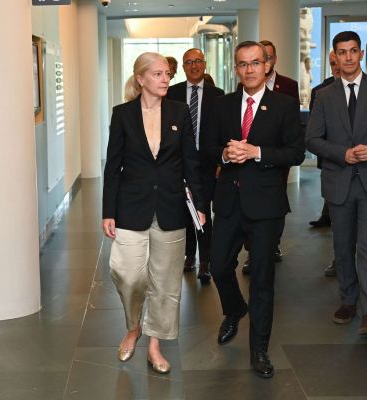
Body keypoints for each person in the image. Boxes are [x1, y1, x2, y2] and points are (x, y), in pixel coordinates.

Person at [102, 52, 206, 374]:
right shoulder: (123, 114)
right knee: (127, 274)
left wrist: (199, 204)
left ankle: (155, 345)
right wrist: (108, 211)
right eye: (158, 73)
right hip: (131, 207)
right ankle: (133, 326)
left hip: (171, 207)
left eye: (167, 74)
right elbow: (113, 166)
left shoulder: (178, 111)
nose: (166, 79)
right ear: (141, 79)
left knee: (166, 282)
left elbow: (190, 160)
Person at [208, 41, 305, 378]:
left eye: (255, 63)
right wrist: (224, 154)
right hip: (228, 201)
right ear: (236, 68)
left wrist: (257, 152)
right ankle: (235, 308)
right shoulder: (222, 105)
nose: (249, 69)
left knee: (262, 279)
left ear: (267, 66)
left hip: (266, 205)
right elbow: (207, 147)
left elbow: (296, 153)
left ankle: (259, 350)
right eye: (242, 64)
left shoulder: (284, 105)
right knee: (219, 265)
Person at [306, 31, 367, 336]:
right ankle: (348, 300)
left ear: (361, 54)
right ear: (334, 57)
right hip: (339, 182)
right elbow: (312, 139)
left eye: (353, 51)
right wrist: (341, 153)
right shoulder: (324, 95)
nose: (348, 57)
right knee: (343, 246)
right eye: (342, 52)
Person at [241, 39, 300, 274]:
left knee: (275, 202)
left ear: (271, 61)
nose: (252, 68)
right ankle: (253, 250)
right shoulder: (241, 88)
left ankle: (271, 244)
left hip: (277, 159)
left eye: (265, 58)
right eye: (246, 63)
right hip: (245, 163)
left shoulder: (288, 86)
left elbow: (293, 135)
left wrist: (264, 153)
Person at [166, 48, 225, 284]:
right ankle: (190, 255)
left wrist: (221, 161)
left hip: (208, 163)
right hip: (180, 163)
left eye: (198, 61)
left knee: (204, 211)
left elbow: (222, 131)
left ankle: (206, 261)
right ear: (183, 67)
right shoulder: (172, 93)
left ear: (205, 64)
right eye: (189, 62)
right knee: (185, 210)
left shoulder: (217, 95)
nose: (194, 66)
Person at [309, 51, 341, 278]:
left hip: (364, 166)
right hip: (332, 161)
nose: (336, 66)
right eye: (332, 63)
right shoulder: (320, 91)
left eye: (338, 60)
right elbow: (314, 132)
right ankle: (340, 260)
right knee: (340, 221)